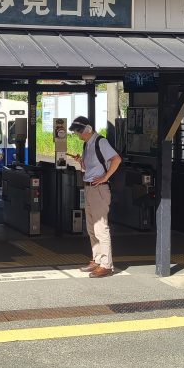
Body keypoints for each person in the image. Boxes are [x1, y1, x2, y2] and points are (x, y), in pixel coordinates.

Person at [68, 115, 121, 278]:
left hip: (99, 189)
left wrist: (105, 178)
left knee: (100, 228)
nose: (78, 135)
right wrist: (80, 161)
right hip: (90, 188)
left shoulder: (100, 142)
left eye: (79, 131)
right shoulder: (87, 144)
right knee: (91, 228)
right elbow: (90, 167)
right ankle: (97, 259)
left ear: (88, 129)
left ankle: (106, 265)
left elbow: (117, 159)